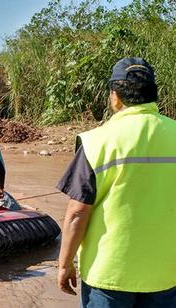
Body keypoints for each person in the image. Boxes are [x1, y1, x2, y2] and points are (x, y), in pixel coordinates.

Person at [56, 57, 176, 307]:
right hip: (167, 273)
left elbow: (77, 213)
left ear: (115, 96)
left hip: (109, 277)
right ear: (153, 94)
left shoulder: (96, 142)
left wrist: (65, 265)